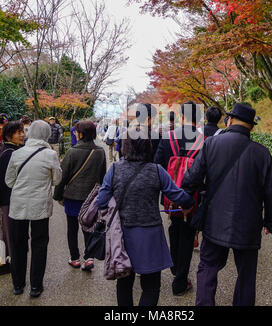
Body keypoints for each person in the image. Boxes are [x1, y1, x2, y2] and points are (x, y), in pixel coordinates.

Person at [181, 103, 272, 306]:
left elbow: (191, 179)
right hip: (249, 225)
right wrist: (271, 222)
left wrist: (189, 200)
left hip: (214, 220)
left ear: (230, 120)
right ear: (251, 127)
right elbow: (271, 193)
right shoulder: (262, 153)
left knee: (208, 267)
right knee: (246, 275)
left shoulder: (210, 145)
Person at [96, 126, 195, 306]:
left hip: (123, 235)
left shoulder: (115, 169)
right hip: (150, 235)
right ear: (148, 146)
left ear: (126, 146)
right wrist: (191, 202)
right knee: (151, 286)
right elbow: (178, 195)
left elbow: (101, 201)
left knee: (124, 283)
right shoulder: (156, 170)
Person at [5, 120, 62, 297]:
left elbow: (9, 181)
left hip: (18, 206)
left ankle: (18, 284)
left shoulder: (17, 153)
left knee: (17, 244)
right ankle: (36, 286)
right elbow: (56, 180)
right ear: (46, 134)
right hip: (40, 207)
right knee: (39, 245)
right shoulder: (50, 155)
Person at [154, 101, 202, 296]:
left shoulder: (167, 138)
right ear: (198, 118)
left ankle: (175, 268)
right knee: (188, 234)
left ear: (181, 116)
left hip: (171, 196)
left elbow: (157, 166)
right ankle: (180, 280)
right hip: (193, 199)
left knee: (174, 229)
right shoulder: (203, 141)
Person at [53, 120, 106, 271]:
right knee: (89, 227)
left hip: (72, 196)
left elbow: (62, 177)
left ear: (81, 134)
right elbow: (103, 177)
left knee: (72, 228)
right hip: (91, 198)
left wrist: (58, 195)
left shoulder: (72, 151)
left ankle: (74, 258)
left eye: (77, 131)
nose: (75, 133)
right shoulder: (100, 152)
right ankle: (89, 257)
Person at [0, 121, 25, 275]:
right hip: (7, 199)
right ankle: (11, 262)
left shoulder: (11, 150)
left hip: (10, 199)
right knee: (9, 232)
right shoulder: (9, 154)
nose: (22, 135)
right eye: (18, 132)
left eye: (22, 131)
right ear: (9, 135)